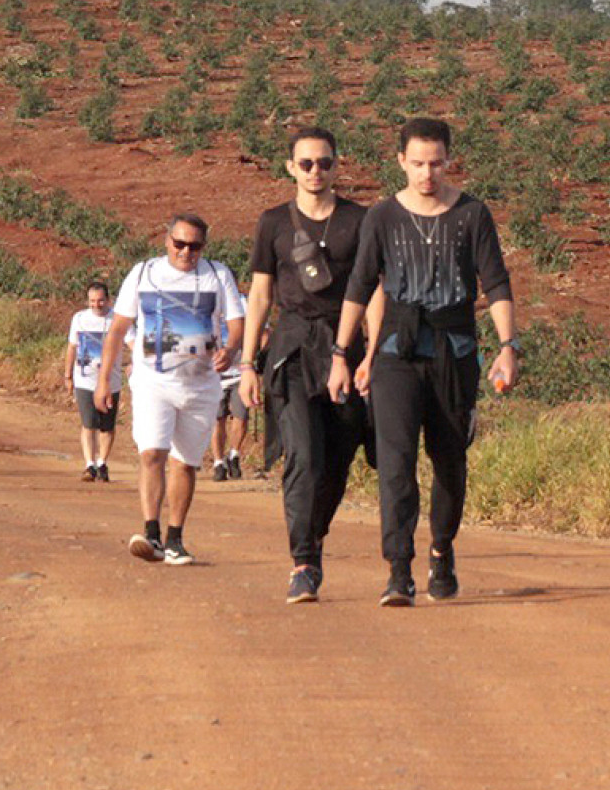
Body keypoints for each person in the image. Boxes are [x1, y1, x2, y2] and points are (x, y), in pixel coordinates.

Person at [330, 118, 519, 607]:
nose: (427, 173)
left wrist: (507, 346)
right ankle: (398, 570)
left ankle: (441, 549)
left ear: (449, 160)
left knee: (450, 462)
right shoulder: (382, 217)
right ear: (402, 162)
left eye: (436, 163)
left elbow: (495, 282)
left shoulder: (472, 214)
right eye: (417, 163)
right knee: (395, 464)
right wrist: (341, 354)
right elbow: (359, 286)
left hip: (454, 352)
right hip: (396, 351)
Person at [240, 126, 376, 604]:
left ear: (337, 165)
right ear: (290, 168)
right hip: (293, 347)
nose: (315, 171)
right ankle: (301, 562)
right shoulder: (273, 223)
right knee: (303, 454)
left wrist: (371, 354)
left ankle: (314, 537)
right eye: (306, 164)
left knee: (338, 460)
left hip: (346, 348)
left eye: (324, 163)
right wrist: (248, 363)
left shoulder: (362, 221)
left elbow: (374, 291)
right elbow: (260, 294)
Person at [96, 215, 245, 566]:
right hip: (153, 381)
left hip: (200, 384)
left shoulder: (217, 275)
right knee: (152, 453)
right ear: (167, 242)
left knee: (186, 462)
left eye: (194, 246)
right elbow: (117, 330)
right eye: (179, 244)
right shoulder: (144, 273)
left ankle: (175, 538)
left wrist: (233, 348)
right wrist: (106, 378)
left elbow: (236, 323)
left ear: (203, 247)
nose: (186, 252)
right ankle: (151, 533)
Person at [64, 281, 122, 482]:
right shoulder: (79, 319)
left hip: (111, 382)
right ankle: (89, 464)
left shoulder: (117, 319)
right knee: (88, 423)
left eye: (100, 301)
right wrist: (68, 376)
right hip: (84, 380)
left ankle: (102, 462)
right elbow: (72, 347)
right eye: (92, 301)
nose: (96, 305)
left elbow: (132, 342)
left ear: (108, 300)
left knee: (107, 425)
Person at [210, 325, 248, 481]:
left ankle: (234, 455)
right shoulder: (209, 307)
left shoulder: (244, 305)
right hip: (215, 377)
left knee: (242, 415)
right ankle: (218, 462)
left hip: (240, 375)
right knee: (218, 420)